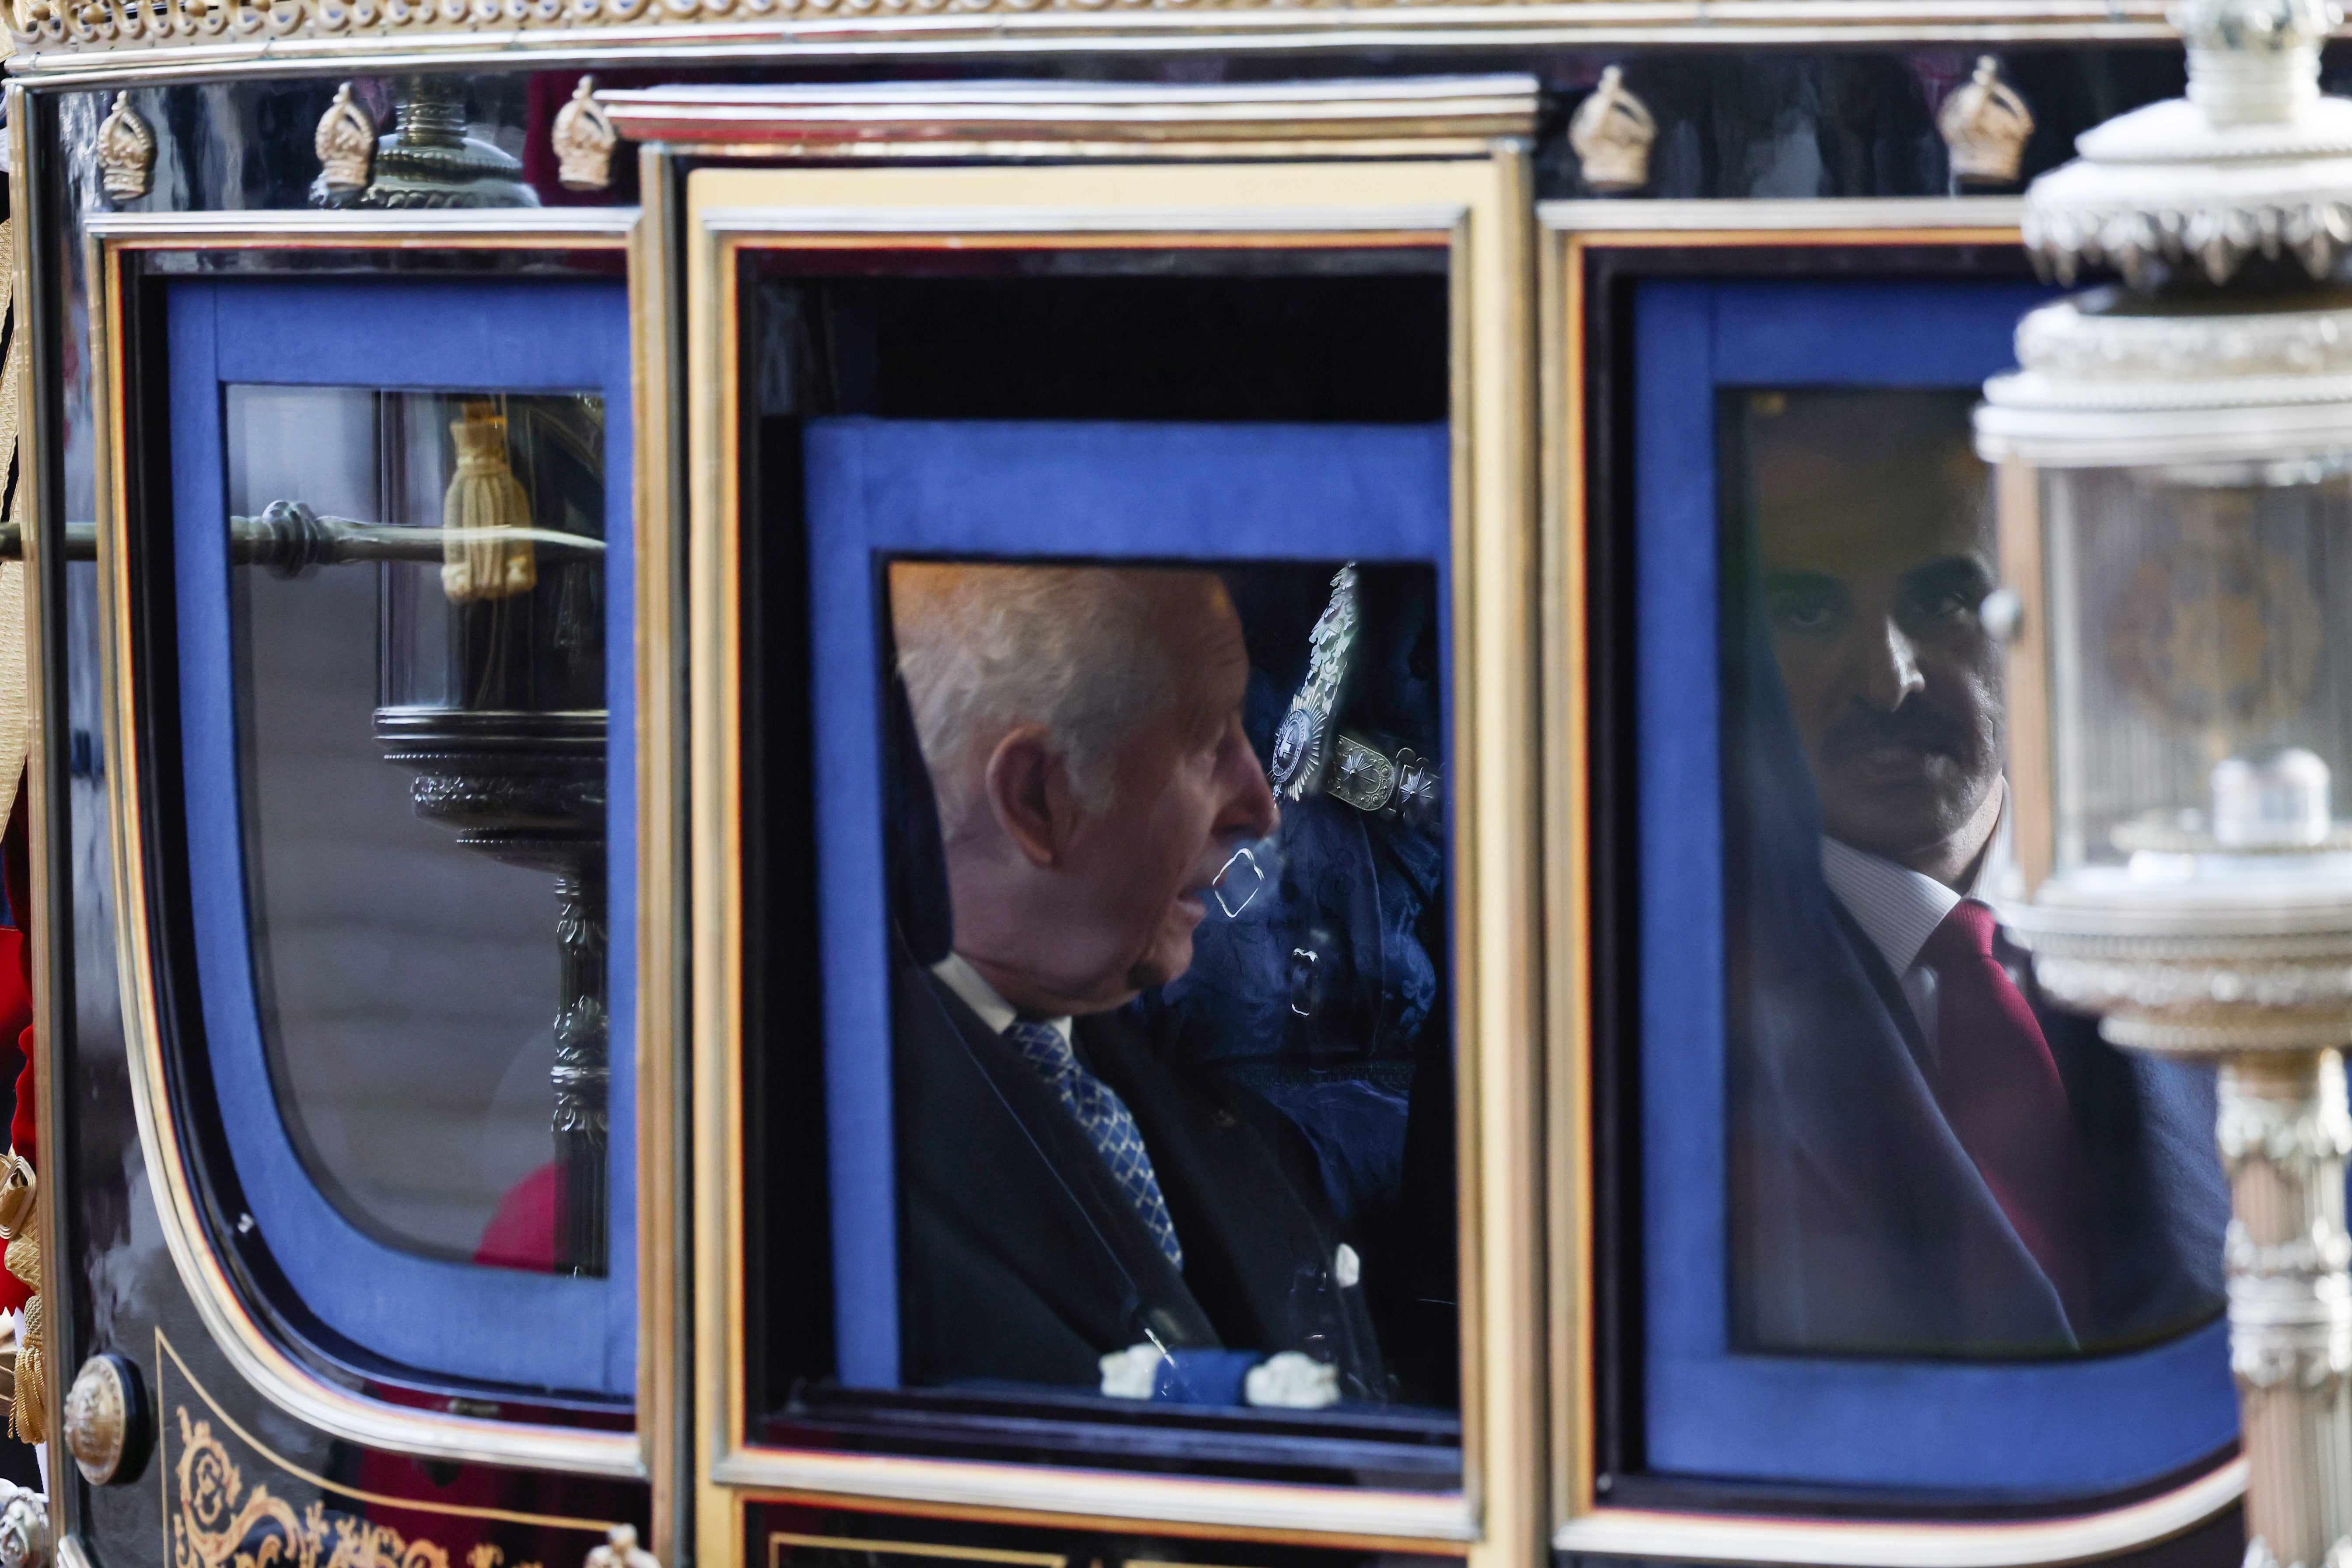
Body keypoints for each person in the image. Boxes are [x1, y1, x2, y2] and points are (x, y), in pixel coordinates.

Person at [1730, 390, 2226, 1356]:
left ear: (2037, 613)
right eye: (1805, 608)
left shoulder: (2216, 913)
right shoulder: (1624, 984)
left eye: (1942, 599)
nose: (1887, 677)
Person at [886, 561, 1385, 1400]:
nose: (1261, 803)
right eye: (1205, 740)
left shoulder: (1225, 1129)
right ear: (1036, 797)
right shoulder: (839, 1175)